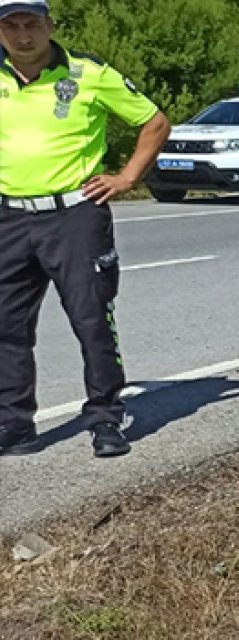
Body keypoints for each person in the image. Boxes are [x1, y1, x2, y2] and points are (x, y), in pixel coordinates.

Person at [0, 0, 171, 457]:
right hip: (9, 218)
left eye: (31, 24)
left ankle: (105, 418)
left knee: (91, 319)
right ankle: (15, 426)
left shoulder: (87, 73)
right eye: (10, 26)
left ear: (49, 26)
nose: (22, 36)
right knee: (7, 326)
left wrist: (127, 177)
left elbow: (154, 121)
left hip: (75, 215)